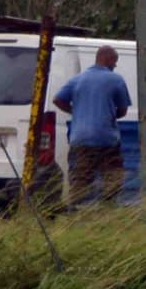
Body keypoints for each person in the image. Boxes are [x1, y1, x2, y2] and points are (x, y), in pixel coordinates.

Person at [52, 47, 132, 208]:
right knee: (113, 176)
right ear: (108, 59)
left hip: (80, 138)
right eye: (114, 63)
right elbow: (123, 111)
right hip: (107, 138)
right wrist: (107, 114)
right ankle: (107, 207)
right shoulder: (116, 80)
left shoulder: (77, 79)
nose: (114, 66)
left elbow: (58, 100)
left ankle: (73, 211)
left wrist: (76, 112)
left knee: (80, 178)